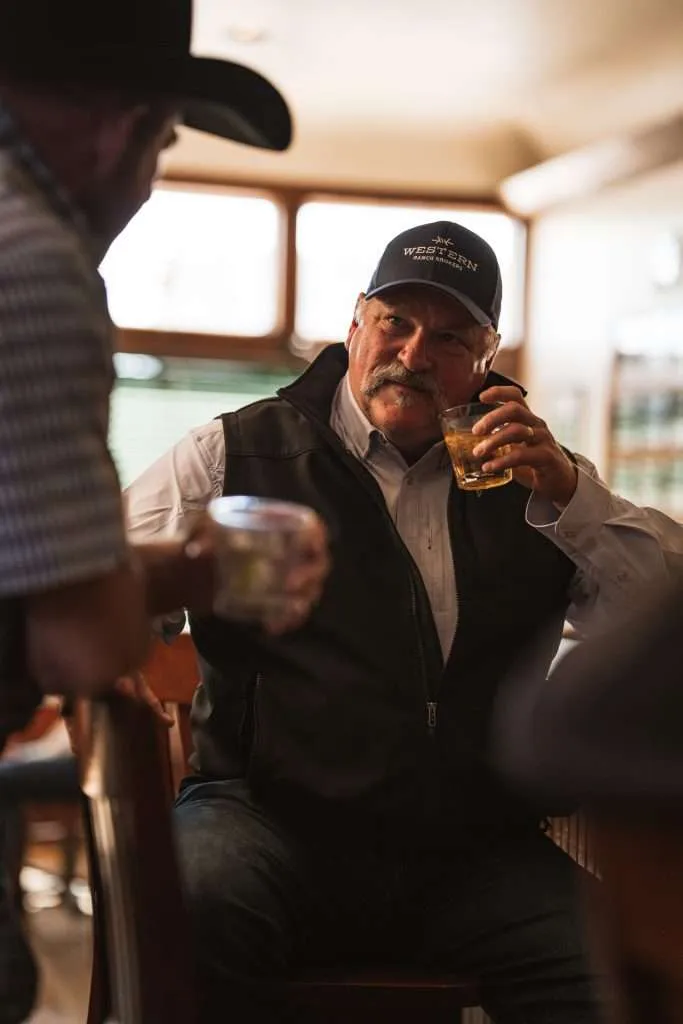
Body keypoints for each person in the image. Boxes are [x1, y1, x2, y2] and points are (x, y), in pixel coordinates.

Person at [126, 219, 683, 1023]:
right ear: (356, 323)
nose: (415, 355)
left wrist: (568, 491)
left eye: (450, 337)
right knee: (189, 906)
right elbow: (105, 585)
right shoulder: (235, 453)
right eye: (396, 322)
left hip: (472, 844)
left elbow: (659, 615)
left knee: (614, 969)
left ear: (486, 357)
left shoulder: (536, 476)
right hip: (266, 819)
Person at [0, 2, 328, 1020]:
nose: (148, 181)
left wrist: (182, 571)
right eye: (165, 145)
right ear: (125, 125)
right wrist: (191, 573)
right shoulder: (35, 262)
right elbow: (80, 643)